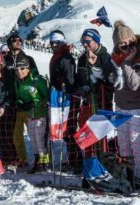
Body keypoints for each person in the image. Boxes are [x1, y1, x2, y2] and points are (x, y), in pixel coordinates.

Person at [76, 29, 114, 167]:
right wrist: (81, 87)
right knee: (87, 134)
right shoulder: (81, 58)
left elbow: (110, 81)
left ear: (96, 41)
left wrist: (95, 65)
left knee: (101, 136)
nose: (85, 45)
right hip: (87, 102)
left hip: (103, 102)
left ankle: (103, 164)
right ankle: (89, 165)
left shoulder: (106, 57)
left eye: (88, 41)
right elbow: (79, 79)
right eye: (82, 42)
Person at [110, 20, 140, 179]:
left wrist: (128, 62)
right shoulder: (115, 59)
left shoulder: (137, 57)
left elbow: (135, 84)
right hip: (120, 106)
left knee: (137, 145)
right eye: (123, 45)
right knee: (124, 145)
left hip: (136, 108)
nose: (128, 48)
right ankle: (129, 177)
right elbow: (116, 83)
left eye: (130, 43)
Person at [4, 33, 39, 167]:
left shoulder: (28, 59)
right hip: (11, 101)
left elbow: (35, 76)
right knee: (14, 134)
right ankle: (20, 159)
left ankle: (39, 160)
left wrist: (34, 97)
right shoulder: (4, 60)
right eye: (14, 40)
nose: (18, 42)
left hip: (27, 101)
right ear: (9, 42)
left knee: (34, 134)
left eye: (20, 40)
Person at [49, 30, 80, 171]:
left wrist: (64, 89)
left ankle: (75, 160)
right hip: (60, 97)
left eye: (57, 42)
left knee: (69, 129)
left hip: (67, 98)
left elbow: (70, 80)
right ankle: (72, 159)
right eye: (51, 42)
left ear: (62, 42)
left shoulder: (65, 57)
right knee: (66, 129)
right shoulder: (58, 56)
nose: (54, 44)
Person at [14, 56, 49, 173]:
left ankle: (44, 162)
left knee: (39, 140)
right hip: (29, 115)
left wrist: (35, 104)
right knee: (33, 139)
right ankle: (37, 161)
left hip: (40, 115)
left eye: (22, 68)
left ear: (28, 68)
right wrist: (21, 104)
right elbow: (19, 98)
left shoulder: (38, 80)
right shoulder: (18, 82)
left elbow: (47, 97)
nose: (19, 71)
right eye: (16, 69)